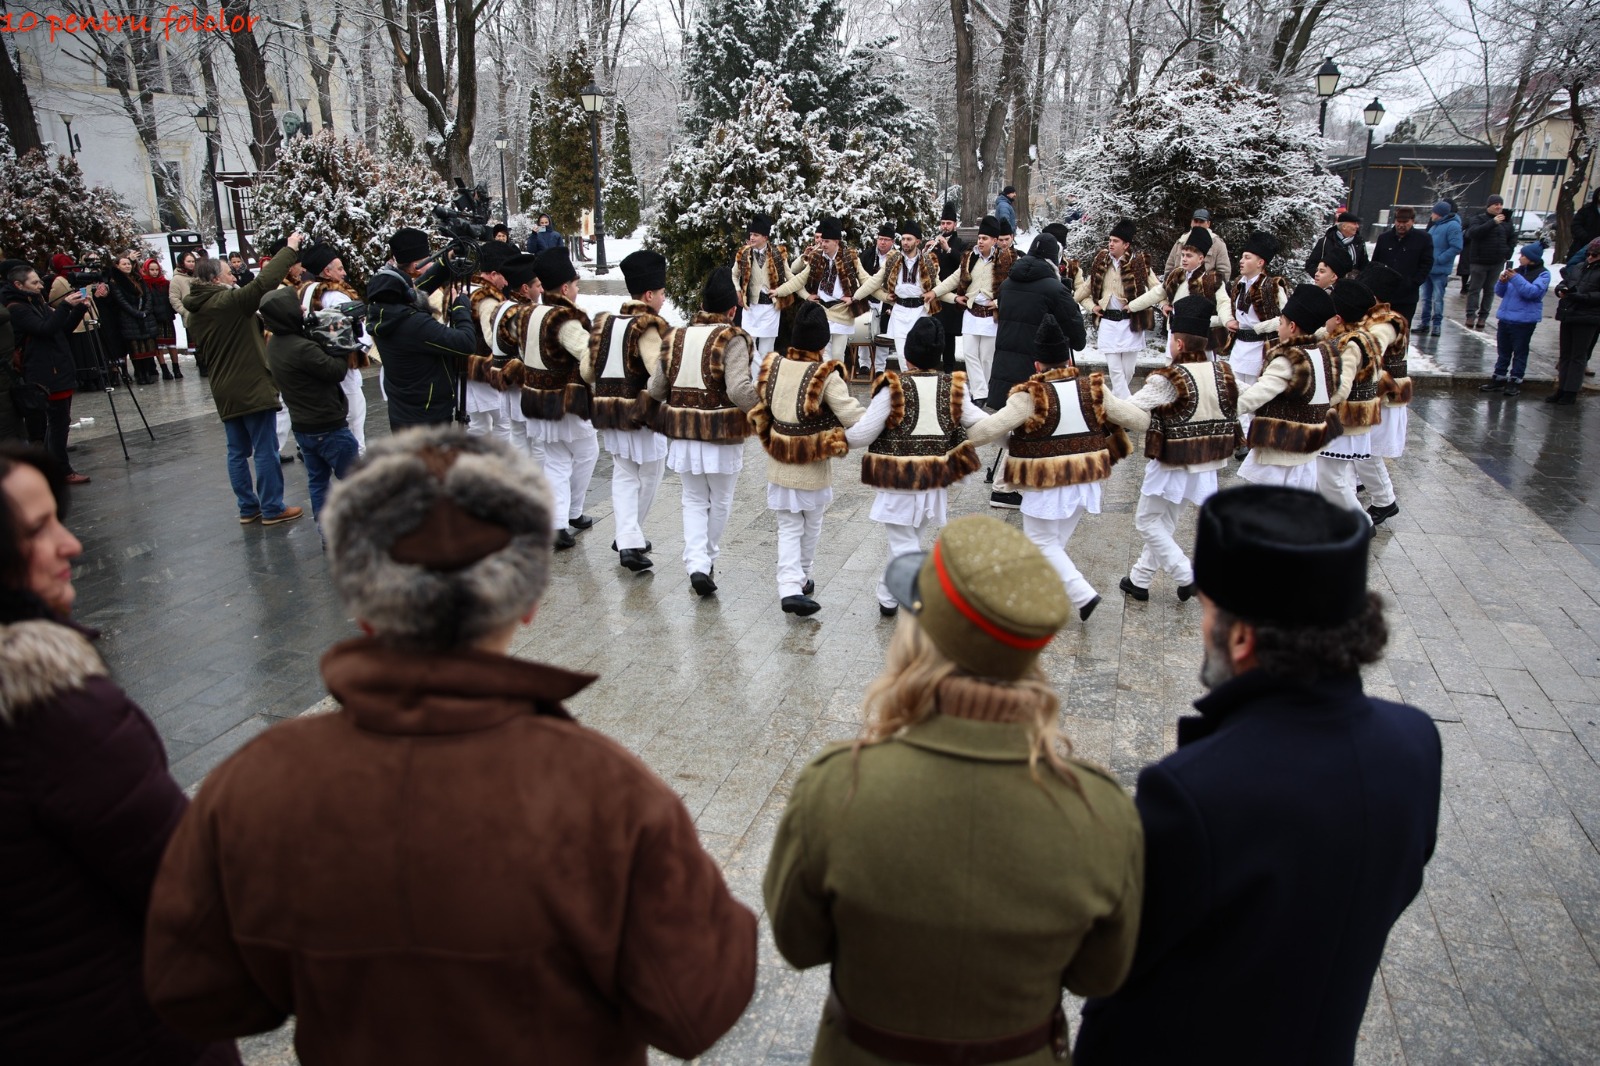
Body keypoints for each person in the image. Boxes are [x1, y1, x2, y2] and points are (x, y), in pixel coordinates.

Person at [143, 428, 758, 1065]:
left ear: (360, 603)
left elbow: (199, 993)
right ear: (526, 602)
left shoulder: (254, 783)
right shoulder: (606, 792)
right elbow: (699, 1004)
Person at [1074, 484, 1442, 1064]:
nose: (1204, 627)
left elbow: (1117, 965)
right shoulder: (1416, 743)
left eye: (1209, 611)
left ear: (1241, 638)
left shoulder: (1195, 791)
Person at [764, 514, 1143, 1066]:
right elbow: (1100, 974)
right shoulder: (1099, 810)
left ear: (919, 641)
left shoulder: (838, 786)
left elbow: (798, 945)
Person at [0, 443, 243, 1066]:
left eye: (59, 516)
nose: (70, 544)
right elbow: (185, 887)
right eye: (36, 531)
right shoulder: (57, 717)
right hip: (121, 1031)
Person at [969, 315, 1128, 620]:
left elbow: (986, 431)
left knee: (1042, 543)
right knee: (1049, 546)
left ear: (1037, 365)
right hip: (1086, 477)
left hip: (1046, 481)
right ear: (1068, 359)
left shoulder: (1028, 396)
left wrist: (960, 437)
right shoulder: (1093, 388)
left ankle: (1083, 595)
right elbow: (1132, 418)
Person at [844, 318, 985, 617]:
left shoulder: (894, 387)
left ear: (907, 356)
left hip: (900, 478)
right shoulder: (954, 387)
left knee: (903, 541)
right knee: (908, 539)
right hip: (935, 478)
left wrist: (832, 438)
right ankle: (887, 596)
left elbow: (863, 433)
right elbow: (979, 422)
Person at [1103, 295, 1240, 603]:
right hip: (1208, 460)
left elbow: (1130, 411)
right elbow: (1246, 400)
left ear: (1177, 344)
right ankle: (1139, 579)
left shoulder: (1170, 378)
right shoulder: (1223, 373)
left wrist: (1101, 399)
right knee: (1165, 521)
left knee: (1148, 521)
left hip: (1174, 460)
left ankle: (1186, 574)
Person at [749, 300, 866, 616]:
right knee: (811, 522)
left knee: (788, 525)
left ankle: (794, 582)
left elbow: (761, 405)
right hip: (811, 463)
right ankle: (797, 580)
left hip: (779, 461)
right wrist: (880, 418)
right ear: (824, 342)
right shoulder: (825, 373)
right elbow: (849, 413)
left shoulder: (773, 365)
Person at [647, 267, 758, 595]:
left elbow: (655, 387)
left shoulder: (675, 336)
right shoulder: (732, 337)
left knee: (693, 499)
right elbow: (739, 390)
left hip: (683, 432)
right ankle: (705, 558)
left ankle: (697, 562)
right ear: (732, 310)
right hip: (721, 433)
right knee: (720, 499)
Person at [185, 236, 307, 524]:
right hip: (251, 384)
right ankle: (272, 507)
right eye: (229, 273)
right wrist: (289, 249)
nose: (234, 276)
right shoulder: (227, 302)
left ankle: (247, 507)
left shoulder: (197, 312)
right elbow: (263, 283)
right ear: (216, 279)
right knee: (265, 448)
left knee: (237, 451)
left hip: (223, 388)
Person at [584, 250, 672, 572]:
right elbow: (658, 373)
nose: (663, 300)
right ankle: (629, 540)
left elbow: (587, 372)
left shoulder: (606, 323)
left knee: (624, 475)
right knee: (651, 472)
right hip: (642, 414)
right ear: (649, 295)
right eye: (661, 294)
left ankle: (626, 535)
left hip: (611, 413)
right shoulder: (648, 326)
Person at [990, 234, 1089, 508]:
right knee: (1030, 426)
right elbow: (1076, 334)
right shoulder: (1053, 289)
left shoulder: (1008, 284)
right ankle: (1003, 487)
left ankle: (1016, 481)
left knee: (1021, 422)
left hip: (1005, 363)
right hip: (1039, 364)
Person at [520, 246, 600, 549]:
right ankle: (571, 512)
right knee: (586, 452)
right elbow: (588, 356)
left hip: (538, 400)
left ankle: (558, 522)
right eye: (576, 284)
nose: (577, 289)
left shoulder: (531, 312)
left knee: (556, 461)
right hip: (566, 403)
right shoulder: (565, 319)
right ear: (565, 287)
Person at [259, 287, 359, 528]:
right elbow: (335, 370)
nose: (303, 309)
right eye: (296, 307)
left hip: (304, 427)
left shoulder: (276, 344)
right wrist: (340, 341)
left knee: (318, 482)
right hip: (328, 425)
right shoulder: (301, 348)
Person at [1233, 283, 1343, 492]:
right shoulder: (1323, 354)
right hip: (1309, 448)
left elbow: (1258, 395)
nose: (1277, 327)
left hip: (1281, 449)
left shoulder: (1290, 359)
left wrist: (1219, 410)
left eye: (1281, 322)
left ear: (1292, 327)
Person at [367, 227, 478, 433]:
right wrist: (461, 307)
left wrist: (447, 258)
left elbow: (419, 288)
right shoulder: (413, 324)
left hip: (405, 410)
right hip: (428, 415)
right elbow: (465, 343)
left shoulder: (384, 312)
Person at [3, 263, 93, 484]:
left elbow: (61, 330)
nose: (40, 286)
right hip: (44, 372)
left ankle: (55, 469)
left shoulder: (36, 301)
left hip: (58, 367)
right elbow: (45, 329)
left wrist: (79, 308)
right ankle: (60, 470)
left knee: (60, 420)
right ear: (18, 285)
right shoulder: (17, 308)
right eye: (34, 283)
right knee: (54, 423)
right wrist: (64, 306)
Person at [1316, 277, 1390, 521]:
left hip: (1346, 422)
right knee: (1327, 477)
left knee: (1332, 479)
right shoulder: (1356, 336)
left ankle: (1362, 523)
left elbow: (1342, 387)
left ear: (1338, 318)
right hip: (1346, 422)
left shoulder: (1352, 344)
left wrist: (1317, 403)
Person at [1350, 264, 1415, 524]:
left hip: (1386, 398)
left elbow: (1372, 350)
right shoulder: (1369, 318)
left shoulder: (1390, 321)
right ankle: (1359, 486)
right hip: (1373, 396)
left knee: (1368, 452)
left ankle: (1385, 502)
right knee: (1361, 450)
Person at [1078, 218, 1165, 400]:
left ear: (1126, 245)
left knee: (1128, 370)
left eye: (1115, 241)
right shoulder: (1101, 262)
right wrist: (1091, 306)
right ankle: (1127, 406)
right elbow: (1082, 293)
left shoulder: (1139, 264)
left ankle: (1116, 404)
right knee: (1115, 371)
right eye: (1110, 240)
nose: (1110, 244)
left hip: (1131, 323)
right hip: (1108, 322)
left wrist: (1164, 305)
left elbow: (1158, 289)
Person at [297, 242, 369, 452]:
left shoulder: (306, 290)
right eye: (339, 268)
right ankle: (357, 453)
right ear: (326, 272)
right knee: (354, 408)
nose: (344, 273)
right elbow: (354, 330)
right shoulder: (334, 295)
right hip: (341, 358)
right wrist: (363, 346)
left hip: (318, 358)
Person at [932, 214, 1006, 406]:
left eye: (985, 239)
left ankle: (984, 390)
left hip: (991, 316)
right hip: (971, 313)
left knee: (986, 357)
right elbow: (954, 280)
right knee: (970, 355)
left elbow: (1013, 288)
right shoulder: (969, 258)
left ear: (995, 241)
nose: (981, 242)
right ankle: (978, 393)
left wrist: (999, 303)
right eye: (980, 238)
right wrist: (934, 292)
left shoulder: (1005, 260)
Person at [1224, 231, 1290, 443]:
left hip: (1259, 348)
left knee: (1253, 395)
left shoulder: (1273, 286)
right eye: (1242, 257)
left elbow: (1285, 317)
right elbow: (1231, 311)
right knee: (1233, 392)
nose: (1241, 261)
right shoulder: (1238, 283)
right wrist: (1228, 321)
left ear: (1261, 262)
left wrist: (1259, 327)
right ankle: (1240, 437)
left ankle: (1251, 438)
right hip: (1238, 347)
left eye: (1247, 257)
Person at [854, 219, 943, 373]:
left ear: (918, 241)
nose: (905, 242)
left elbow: (940, 287)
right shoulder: (893, 260)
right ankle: (907, 389)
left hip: (921, 312)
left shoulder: (928, 261)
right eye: (903, 239)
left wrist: (955, 298)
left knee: (920, 354)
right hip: (900, 311)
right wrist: (855, 297)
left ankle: (920, 388)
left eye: (909, 239)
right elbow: (874, 282)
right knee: (903, 356)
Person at [785, 217, 871, 368]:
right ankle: (824, 384)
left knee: (838, 355)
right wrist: (804, 296)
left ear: (836, 242)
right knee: (822, 353)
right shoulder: (816, 257)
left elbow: (867, 280)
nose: (822, 244)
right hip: (821, 310)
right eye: (821, 240)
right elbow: (796, 274)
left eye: (826, 241)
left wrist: (856, 297)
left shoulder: (850, 257)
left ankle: (837, 384)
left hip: (841, 310)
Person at [1480, 243, 1552, 397]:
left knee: (1520, 352)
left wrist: (1516, 278)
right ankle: (1498, 378)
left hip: (1524, 321)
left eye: (1523, 256)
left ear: (1532, 258)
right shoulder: (1517, 273)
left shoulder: (1543, 274)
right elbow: (1500, 292)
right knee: (1503, 351)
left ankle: (1515, 380)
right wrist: (1503, 281)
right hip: (1506, 318)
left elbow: (1532, 293)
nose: (1520, 258)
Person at [1159, 227, 1232, 358]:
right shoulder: (1176, 275)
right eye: (1183, 255)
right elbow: (1157, 293)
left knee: (1201, 373)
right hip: (1176, 334)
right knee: (1173, 373)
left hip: (1200, 338)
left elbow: (1223, 302)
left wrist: (1227, 321)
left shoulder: (1212, 280)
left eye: (1189, 256)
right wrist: (1132, 306)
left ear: (1201, 259)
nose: (1184, 259)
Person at [734, 214, 795, 361]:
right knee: (749, 348)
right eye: (751, 234)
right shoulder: (743, 253)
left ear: (765, 237)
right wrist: (737, 291)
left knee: (766, 351)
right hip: (750, 307)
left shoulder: (778, 254)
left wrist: (782, 291)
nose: (752, 238)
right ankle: (752, 381)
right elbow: (734, 275)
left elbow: (791, 278)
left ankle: (763, 382)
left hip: (770, 308)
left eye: (756, 235)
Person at [1550, 237, 1600, 404]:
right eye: (1589, 254)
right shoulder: (1579, 267)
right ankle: (1561, 388)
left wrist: (1581, 297)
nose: (1591, 257)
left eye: (1595, 255)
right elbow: (1567, 281)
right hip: (1569, 313)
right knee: (1565, 354)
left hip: (1587, 317)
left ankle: (1571, 391)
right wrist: (1561, 289)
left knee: (1578, 356)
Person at [108, 254, 168, 382]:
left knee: (149, 345)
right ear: (117, 266)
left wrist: (146, 310)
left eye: (128, 263)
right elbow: (121, 301)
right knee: (136, 347)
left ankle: (151, 372)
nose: (127, 266)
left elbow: (147, 295)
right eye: (124, 264)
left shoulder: (138, 278)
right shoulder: (115, 281)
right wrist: (136, 312)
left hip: (145, 316)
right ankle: (140, 373)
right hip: (129, 318)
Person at [1462, 194, 1517, 329]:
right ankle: (1470, 315)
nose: (1498, 207)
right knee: (1474, 289)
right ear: (1489, 206)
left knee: (1490, 290)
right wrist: (1492, 223)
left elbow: (1512, 237)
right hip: (1479, 261)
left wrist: (1507, 253)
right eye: (1495, 204)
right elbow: (1473, 233)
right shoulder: (1478, 219)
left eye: (1500, 204)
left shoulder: (1507, 222)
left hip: (1497, 261)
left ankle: (1483, 317)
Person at [1369, 206, 1431, 324]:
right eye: (1399, 221)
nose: (1401, 225)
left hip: (1407, 297)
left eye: (1405, 222)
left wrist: (1413, 282)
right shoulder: (1384, 238)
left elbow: (1426, 265)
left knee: (1402, 330)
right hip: (1384, 296)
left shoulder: (1423, 239)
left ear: (1412, 221)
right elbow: (1375, 263)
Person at [1418, 201, 1463, 336]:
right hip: (1428, 269)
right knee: (1425, 298)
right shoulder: (1434, 227)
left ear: (1440, 214)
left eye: (1434, 212)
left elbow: (1456, 246)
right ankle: (1424, 323)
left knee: (1438, 298)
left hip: (1440, 270)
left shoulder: (1453, 226)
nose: (1431, 214)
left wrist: (1439, 259)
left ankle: (1436, 325)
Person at [930, 202, 966, 371]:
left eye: (948, 223)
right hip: (936, 294)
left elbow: (963, 263)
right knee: (934, 332)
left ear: (955, 225)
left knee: (949, 335)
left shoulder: (960, 243)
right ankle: (933, 365)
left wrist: (948, 249)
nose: (945, 226)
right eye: (943, 223)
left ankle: (949, 368)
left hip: (952, 294)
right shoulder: (934, 242)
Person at [1162, 208, 1231, 283]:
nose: (1198, 224)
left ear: (1208, 224)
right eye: (1196, 221)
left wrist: (1211, 287)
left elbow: (1224, 271)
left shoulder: (1217, 243)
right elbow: (1170, 266)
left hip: (1204, 289)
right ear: (1191, 222)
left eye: (1201, 222)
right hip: (1179, 286)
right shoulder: (1181, 241)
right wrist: (1169, 284)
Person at [1302, 211, 1369, 279]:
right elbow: (1311, 264)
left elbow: (1364, 266)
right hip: (1329, 286)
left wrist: (1358, 278)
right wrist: (1323, 276)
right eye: (1354, 223)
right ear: (1344, 226)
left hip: (1351, 286)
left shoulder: (1359, 242)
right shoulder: (1325, 242)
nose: (1357, 226)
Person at [169, 250, 203, 375]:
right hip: (190, 315)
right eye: (188, 261)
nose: (191, 264)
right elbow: (174, 298)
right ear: (182, 263)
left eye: (193, 261)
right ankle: (201, 365)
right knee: (196, 344)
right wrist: (184, 311)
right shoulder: (177, 279)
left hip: (203, 314)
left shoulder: (198, 275)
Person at [143, 257, 179, 366]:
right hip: (154, 318)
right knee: (159, 346)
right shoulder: (144, 284)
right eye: (152, 270)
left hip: (167, 317)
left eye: (156, 269)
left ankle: (176, 367)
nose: (154, 272)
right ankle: (164, 369)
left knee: (172, 344)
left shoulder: (165, 283)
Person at [1570, 189, 1600, 268]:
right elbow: (1575, 225)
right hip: (1582, 245)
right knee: (1575, 269)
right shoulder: (1587, 209)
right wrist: (1585, 237)